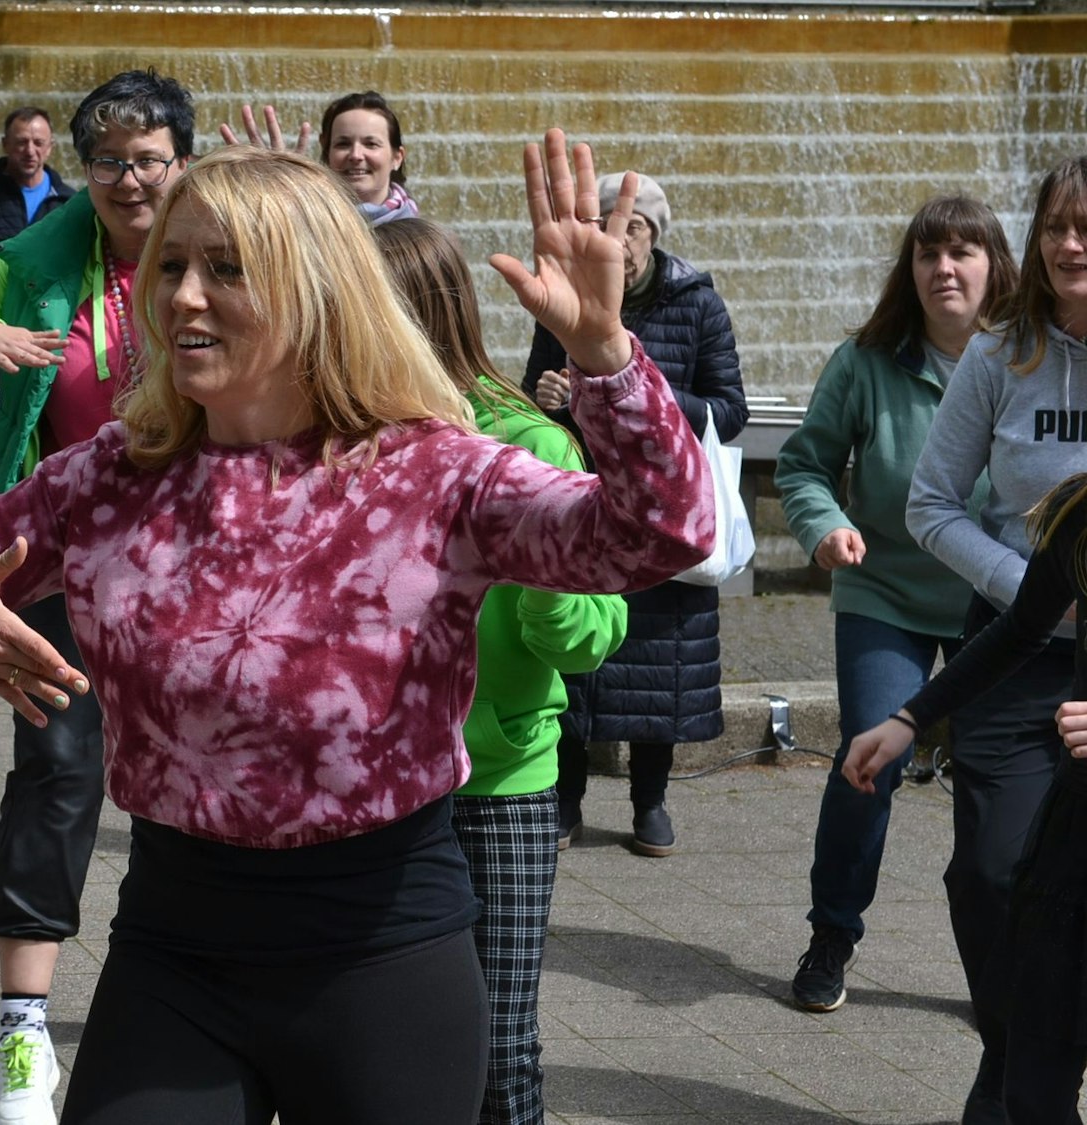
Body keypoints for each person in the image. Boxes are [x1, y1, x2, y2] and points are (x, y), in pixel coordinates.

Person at [0, 135, 711, 1125]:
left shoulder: (434, 475)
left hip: (382, 958)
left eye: (226, 269)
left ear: (315, 287)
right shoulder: (109, 477)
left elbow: (657, 536)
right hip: (173, 951)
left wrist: (604, 358)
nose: (181, 296)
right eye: (170, 264)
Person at [0, 69, 194, 1125]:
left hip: (204, 567)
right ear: (83, 169)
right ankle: (23, 1032)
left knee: (196, 784)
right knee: (57, 775)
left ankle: (197, 1002)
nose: (128, 178)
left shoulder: (221, 255)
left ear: (180, 164)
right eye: (106, 160)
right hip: (58, 563)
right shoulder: (37, 263)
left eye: (148, 158)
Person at [375, 216, 628, 1125]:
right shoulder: (333, 444)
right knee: (367, 1039)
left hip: (500, 786)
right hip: (370, 790)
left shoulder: (530, 446)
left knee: (499, 1047)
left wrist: (542, 579)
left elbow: (594, 638)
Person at [775, 196, 1017, 1014]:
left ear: (996, 265)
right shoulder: (867, 359)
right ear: (909, 270)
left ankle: (1001, 963)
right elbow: (804, 465)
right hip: (885, 591)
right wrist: (826, 526)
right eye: (927, 254)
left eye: (962, 252)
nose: (943, 268)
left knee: (999, 784)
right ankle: (832, 933)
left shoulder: (1033, 359)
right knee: (865, 758)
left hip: (1002, 599)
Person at [902, 154, 1087, 1124]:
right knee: (986, 873)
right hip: (1012, 649)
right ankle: (1012, 1050)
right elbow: (929, 504)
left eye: (1085, 227)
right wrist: (1032, 588)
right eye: (1056, 224)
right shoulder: (996, 354)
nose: (1069, 244)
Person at [845, 473, 1087, 1123]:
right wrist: (909, 717)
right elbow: (1021, 629)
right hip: (1073, 840)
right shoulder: (1079, 515)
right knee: (1032, 1094)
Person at [522, 170, 746, 857]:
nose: (622, 244)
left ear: (655, 236)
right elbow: (535, 391)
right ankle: (566, 800)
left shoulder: (700, 307)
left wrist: (636, 389)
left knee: (660, 668)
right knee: (580, 664)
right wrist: (552, 390)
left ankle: (651, 800)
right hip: (589, 499)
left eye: (636, 230)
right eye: (613, 231)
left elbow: (731, 409)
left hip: (664, 505)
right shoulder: (567, 297)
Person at [219, 92, 417, 226]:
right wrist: (274, 190)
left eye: (371, 144)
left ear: (397, 158)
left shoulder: (423, 241)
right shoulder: (305, 221)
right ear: (326, 151)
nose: (356, 155)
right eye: (343, 144)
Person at [0, 107, 76, 268]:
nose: (30, 151)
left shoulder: (69, 202)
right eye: (21, 142)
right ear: (5, 144)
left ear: (50, 148)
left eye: (38, 143)